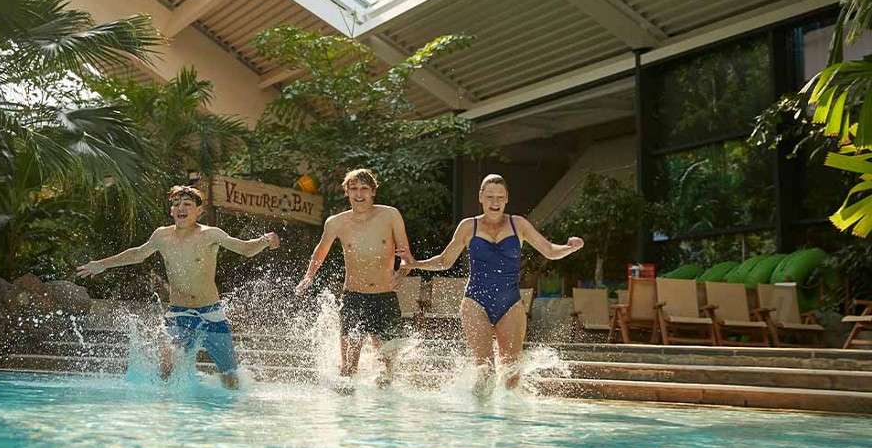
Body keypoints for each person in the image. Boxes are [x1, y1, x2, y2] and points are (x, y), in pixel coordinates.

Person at [76, 185, 279, 388]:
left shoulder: (210, 235)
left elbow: (244, 248)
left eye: (187, 204)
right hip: (178, 313)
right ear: (171, 211)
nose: (181, 207)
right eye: (176, 204)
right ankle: (167, 409)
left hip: (211, 313)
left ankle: (232, 410)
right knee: (166, 362)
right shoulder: (162, 236)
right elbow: (137, 253)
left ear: (199, 211)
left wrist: (264, 241)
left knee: (229, 375)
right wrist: (102, 264)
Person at [402, 174, 582, 389]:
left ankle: (506, 420)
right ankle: (480, 418)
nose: (495, 202)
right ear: (480, 197)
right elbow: (445, 261)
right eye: (489, 197)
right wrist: (415, 264)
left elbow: (550, 251)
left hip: (510, 303)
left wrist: (569, 247)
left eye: (500, 197)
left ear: (507, 198)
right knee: (485, 369)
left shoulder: (519, 224)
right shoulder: (469, 226)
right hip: (475, 302)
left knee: (512, 373)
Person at [293, 169, 415, 387]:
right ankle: (348, 417)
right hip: (353, 298)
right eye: (354, 189)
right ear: (347, 193)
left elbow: (406, 255)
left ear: (373, 191)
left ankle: (381, 416)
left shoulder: (390, 216)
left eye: (364, 189)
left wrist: (403, 271)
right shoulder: (336, 223)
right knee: (348, 368)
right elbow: (320, 252)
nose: (359, 194)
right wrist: (308, 277)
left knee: (387, 370)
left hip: (384, 298)